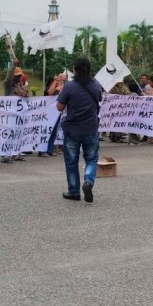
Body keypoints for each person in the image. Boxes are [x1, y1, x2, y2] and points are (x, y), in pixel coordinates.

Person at [57, 56, 103, 203]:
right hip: (90, 128)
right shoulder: (96, 85)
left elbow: (59, 107)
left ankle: (74, 191)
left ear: (75, 70)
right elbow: (99, 99)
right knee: (91, 159)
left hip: (72, 130)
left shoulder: (69, 86)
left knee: (71, 161)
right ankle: (88, 182)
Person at [1, 61, 27, 164]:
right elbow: (7, 79)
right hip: (10, 114)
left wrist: (24, 94)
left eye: (19, 76)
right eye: (16, 76)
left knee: (18, 134)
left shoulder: (20, 86)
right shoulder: (8, 86)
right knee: (9, 135)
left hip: (19, 115)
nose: (18, 78)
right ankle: (5, 155)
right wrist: (13, 66)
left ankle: (16, 153)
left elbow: (26, 96)